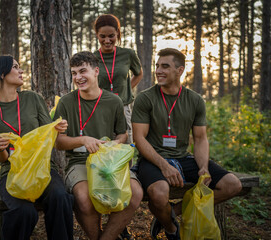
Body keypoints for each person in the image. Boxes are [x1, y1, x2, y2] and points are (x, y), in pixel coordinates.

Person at [131, 48, 242, 240]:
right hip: (153, 159)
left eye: (165, 66)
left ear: (180, 70)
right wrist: (164, 165)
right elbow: (139, 138)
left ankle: (172, 211)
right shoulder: (146, 98)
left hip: (183, 158)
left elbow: (200, 139)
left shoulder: (195, 100)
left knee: (233, 185)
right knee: (158, 193)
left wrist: (204, 167)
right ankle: (172, 228)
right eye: (157, 66)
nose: (158, 70)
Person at [0, 56, 74, 240]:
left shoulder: (32, 98)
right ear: (1, 74)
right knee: (24, 212)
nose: (21, 71)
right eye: (16, 67)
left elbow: (50, 135)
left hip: (43, 168)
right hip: (13, 172)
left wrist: (57, 128)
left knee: (60, 197)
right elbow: (2, 159)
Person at [54, 51, 143, 240]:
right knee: (85, 198)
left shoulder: (114, 101)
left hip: (109, 162)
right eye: (74, 73)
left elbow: (122, 134)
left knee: (135, 193)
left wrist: (115, 143)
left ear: (96, 72)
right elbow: (59, 142)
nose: (78, 77)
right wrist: (83, 140)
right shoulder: (66, 102)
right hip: (79, 162)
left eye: (82, 71)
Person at [93, 14, 143, 144]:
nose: (107, 40)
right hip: (100, 107)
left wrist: (127, 89)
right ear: (97, 35)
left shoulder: (128, 54)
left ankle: (128, 166)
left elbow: (139, 74)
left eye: (111, 36)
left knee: (126, 144)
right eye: (102, 36)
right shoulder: (92, 58)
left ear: (118, 34)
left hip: (123, 106)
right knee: (103, 144)